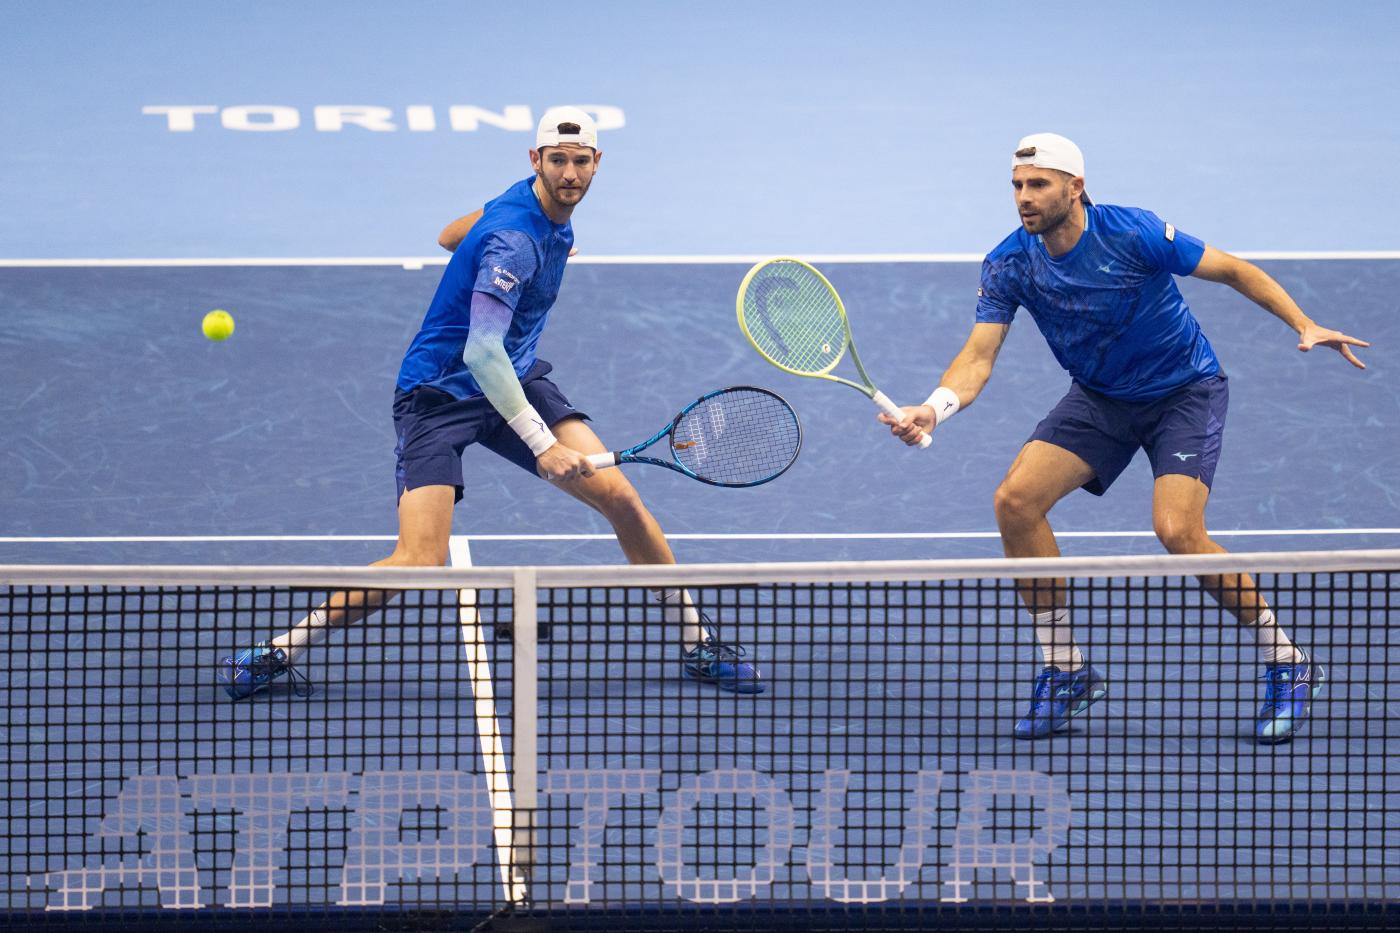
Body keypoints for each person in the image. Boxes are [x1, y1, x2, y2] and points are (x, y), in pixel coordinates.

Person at [221, 106, 764, 697]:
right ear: (536, 160)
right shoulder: (515, 242)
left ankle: (696, 643)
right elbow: (482, 352)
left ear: (597, 162)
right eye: (557, 162)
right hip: (440, 393)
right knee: (419, 560)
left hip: (517, 376)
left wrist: (490, 245)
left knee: (622, 501)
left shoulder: (526, 208)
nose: (570, 175)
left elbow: (449, 235)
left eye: (580, 162)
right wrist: (541, 445)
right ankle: (277, 651)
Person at [882, 133, 1367, 743]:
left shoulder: (1130, 233)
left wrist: (1304, 322)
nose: (1023, 198)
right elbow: (979, 356)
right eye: (1016, 185)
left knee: (1177, 530)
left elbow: (1232, 270)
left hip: (1182, 392)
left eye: (1038, 184)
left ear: (1074, 187)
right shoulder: (1009, 262)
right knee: (1016, 502)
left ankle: (1289, 662)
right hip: (1101, 398)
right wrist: (934, 408)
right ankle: (1066, 670)